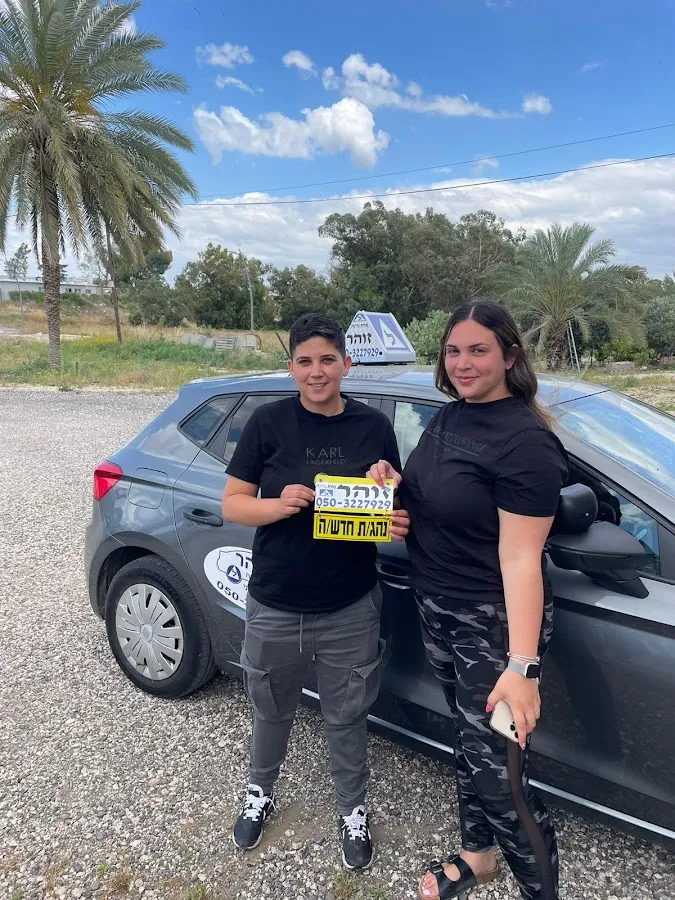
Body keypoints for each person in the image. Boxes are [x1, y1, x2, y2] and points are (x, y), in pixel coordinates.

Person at [368, 300, 568, 900]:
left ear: (510, 356)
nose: (462, 363)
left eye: (478, 350)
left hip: (493, 626)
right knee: (470, 740)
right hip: (438, 606)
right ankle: (478, 858)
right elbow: (440, 496)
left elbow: (521, 559)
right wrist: (393, 485)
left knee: (501, 778)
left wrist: (522, 667)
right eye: (453, 351)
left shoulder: (526, 443)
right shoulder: (452, 415)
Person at [222, 313, 408, 870]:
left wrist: (391, 500)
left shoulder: (373, 426)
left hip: (350, 606)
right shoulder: (268, 422)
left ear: (346, 364)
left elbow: (392, 506)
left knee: (346, 716)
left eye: (328, 359)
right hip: (275, 602)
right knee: (271, 708)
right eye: (305, 361)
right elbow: (233, 504)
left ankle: (352, 810)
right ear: (291, 368)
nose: (317, 371)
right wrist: (277, 505)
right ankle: (259, 792)